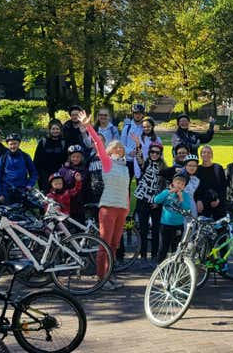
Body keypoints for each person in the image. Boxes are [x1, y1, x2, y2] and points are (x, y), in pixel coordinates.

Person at [85, 119, 129, 291]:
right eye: (115, 147)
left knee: (114, 245)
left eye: (121, 147)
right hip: (108, 207)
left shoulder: (125, 167)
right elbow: (97, 141)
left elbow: (126, 189)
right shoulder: (107, 162)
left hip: (121, 209)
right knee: (104, 244)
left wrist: (127, 207)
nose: (119, 149)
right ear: (109, 151)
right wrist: (88, 126)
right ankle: (101, 278)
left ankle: (109, 274)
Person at [134, 142, 167, 267]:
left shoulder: (163, 168)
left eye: (157, 152)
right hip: (143, 199)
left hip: (155, 201)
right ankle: (143, 256)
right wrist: (138, 145)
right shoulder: (146, 163)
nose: (154, 154)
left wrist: (158, 202)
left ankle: (154, 255)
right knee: (142, 229)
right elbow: (139, 158)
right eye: (152, 152)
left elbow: (165, 187)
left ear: (160, 154)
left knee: (155, 229)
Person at [153, 171, 192, 262]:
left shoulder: (185, 195)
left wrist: (181, 198)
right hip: (165, 225)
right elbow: (156, 200)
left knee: (176, 248)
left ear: (184, 186)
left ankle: (173, 268)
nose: (179, 185)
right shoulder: (167, 192)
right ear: (173, 183)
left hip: (178, 225)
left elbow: (187, 208)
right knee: (163, 247)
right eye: (178, 183)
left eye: (182, 184)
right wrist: (168, 192)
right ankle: (160, 267)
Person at [0, 133, 38, 205]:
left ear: (19, 144)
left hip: (22, 191)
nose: (13, 146)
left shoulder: (25, 157)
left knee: (22, 214)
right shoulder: (3, 158)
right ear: (7, 145)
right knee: (7, 214)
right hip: (7, 192)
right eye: (10, 144)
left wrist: (30, 184)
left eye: (15, 144)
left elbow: (34, 173)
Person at [33, 119, 68, 193]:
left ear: (60, 130)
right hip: (44, 174)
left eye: (57, 129)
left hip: (58, 173)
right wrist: (37, 174)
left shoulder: (63, 142)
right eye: (53, 129)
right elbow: (36, 159)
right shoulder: (43, 142)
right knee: (47, 195)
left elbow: (66, 158)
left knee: (59, 194)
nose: (55, 131)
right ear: (49, 130)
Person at [58, 145, 90, 223]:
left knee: (80, 223)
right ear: (69, 157)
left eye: (78, 157)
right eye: (73, 157)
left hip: (80, 201)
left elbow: (86, 184)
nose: (75, 159)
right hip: (67, 201)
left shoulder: (84, 169)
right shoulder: (64, 169)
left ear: (81, 157)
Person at [195, 145, 227, 219]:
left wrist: (218, 200)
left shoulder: (218, 168)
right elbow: (196, 188)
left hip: (217, 202)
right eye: (204, 152)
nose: (206, 154)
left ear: (212, 155)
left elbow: (223, 186)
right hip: (202, 203)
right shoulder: (197, 169)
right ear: (201, 155)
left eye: (208, 152)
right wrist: (198, 200)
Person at [121, 104, 146, 180]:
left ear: (143, 114)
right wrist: (129, 152)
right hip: (129, 160)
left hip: (141, 160)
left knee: (141, 185)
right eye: (135, 113)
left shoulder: (145, 127)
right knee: (126, 185)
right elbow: (122, 144)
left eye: (139, 113)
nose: (137, 115)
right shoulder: (127, 127)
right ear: (133, 114)